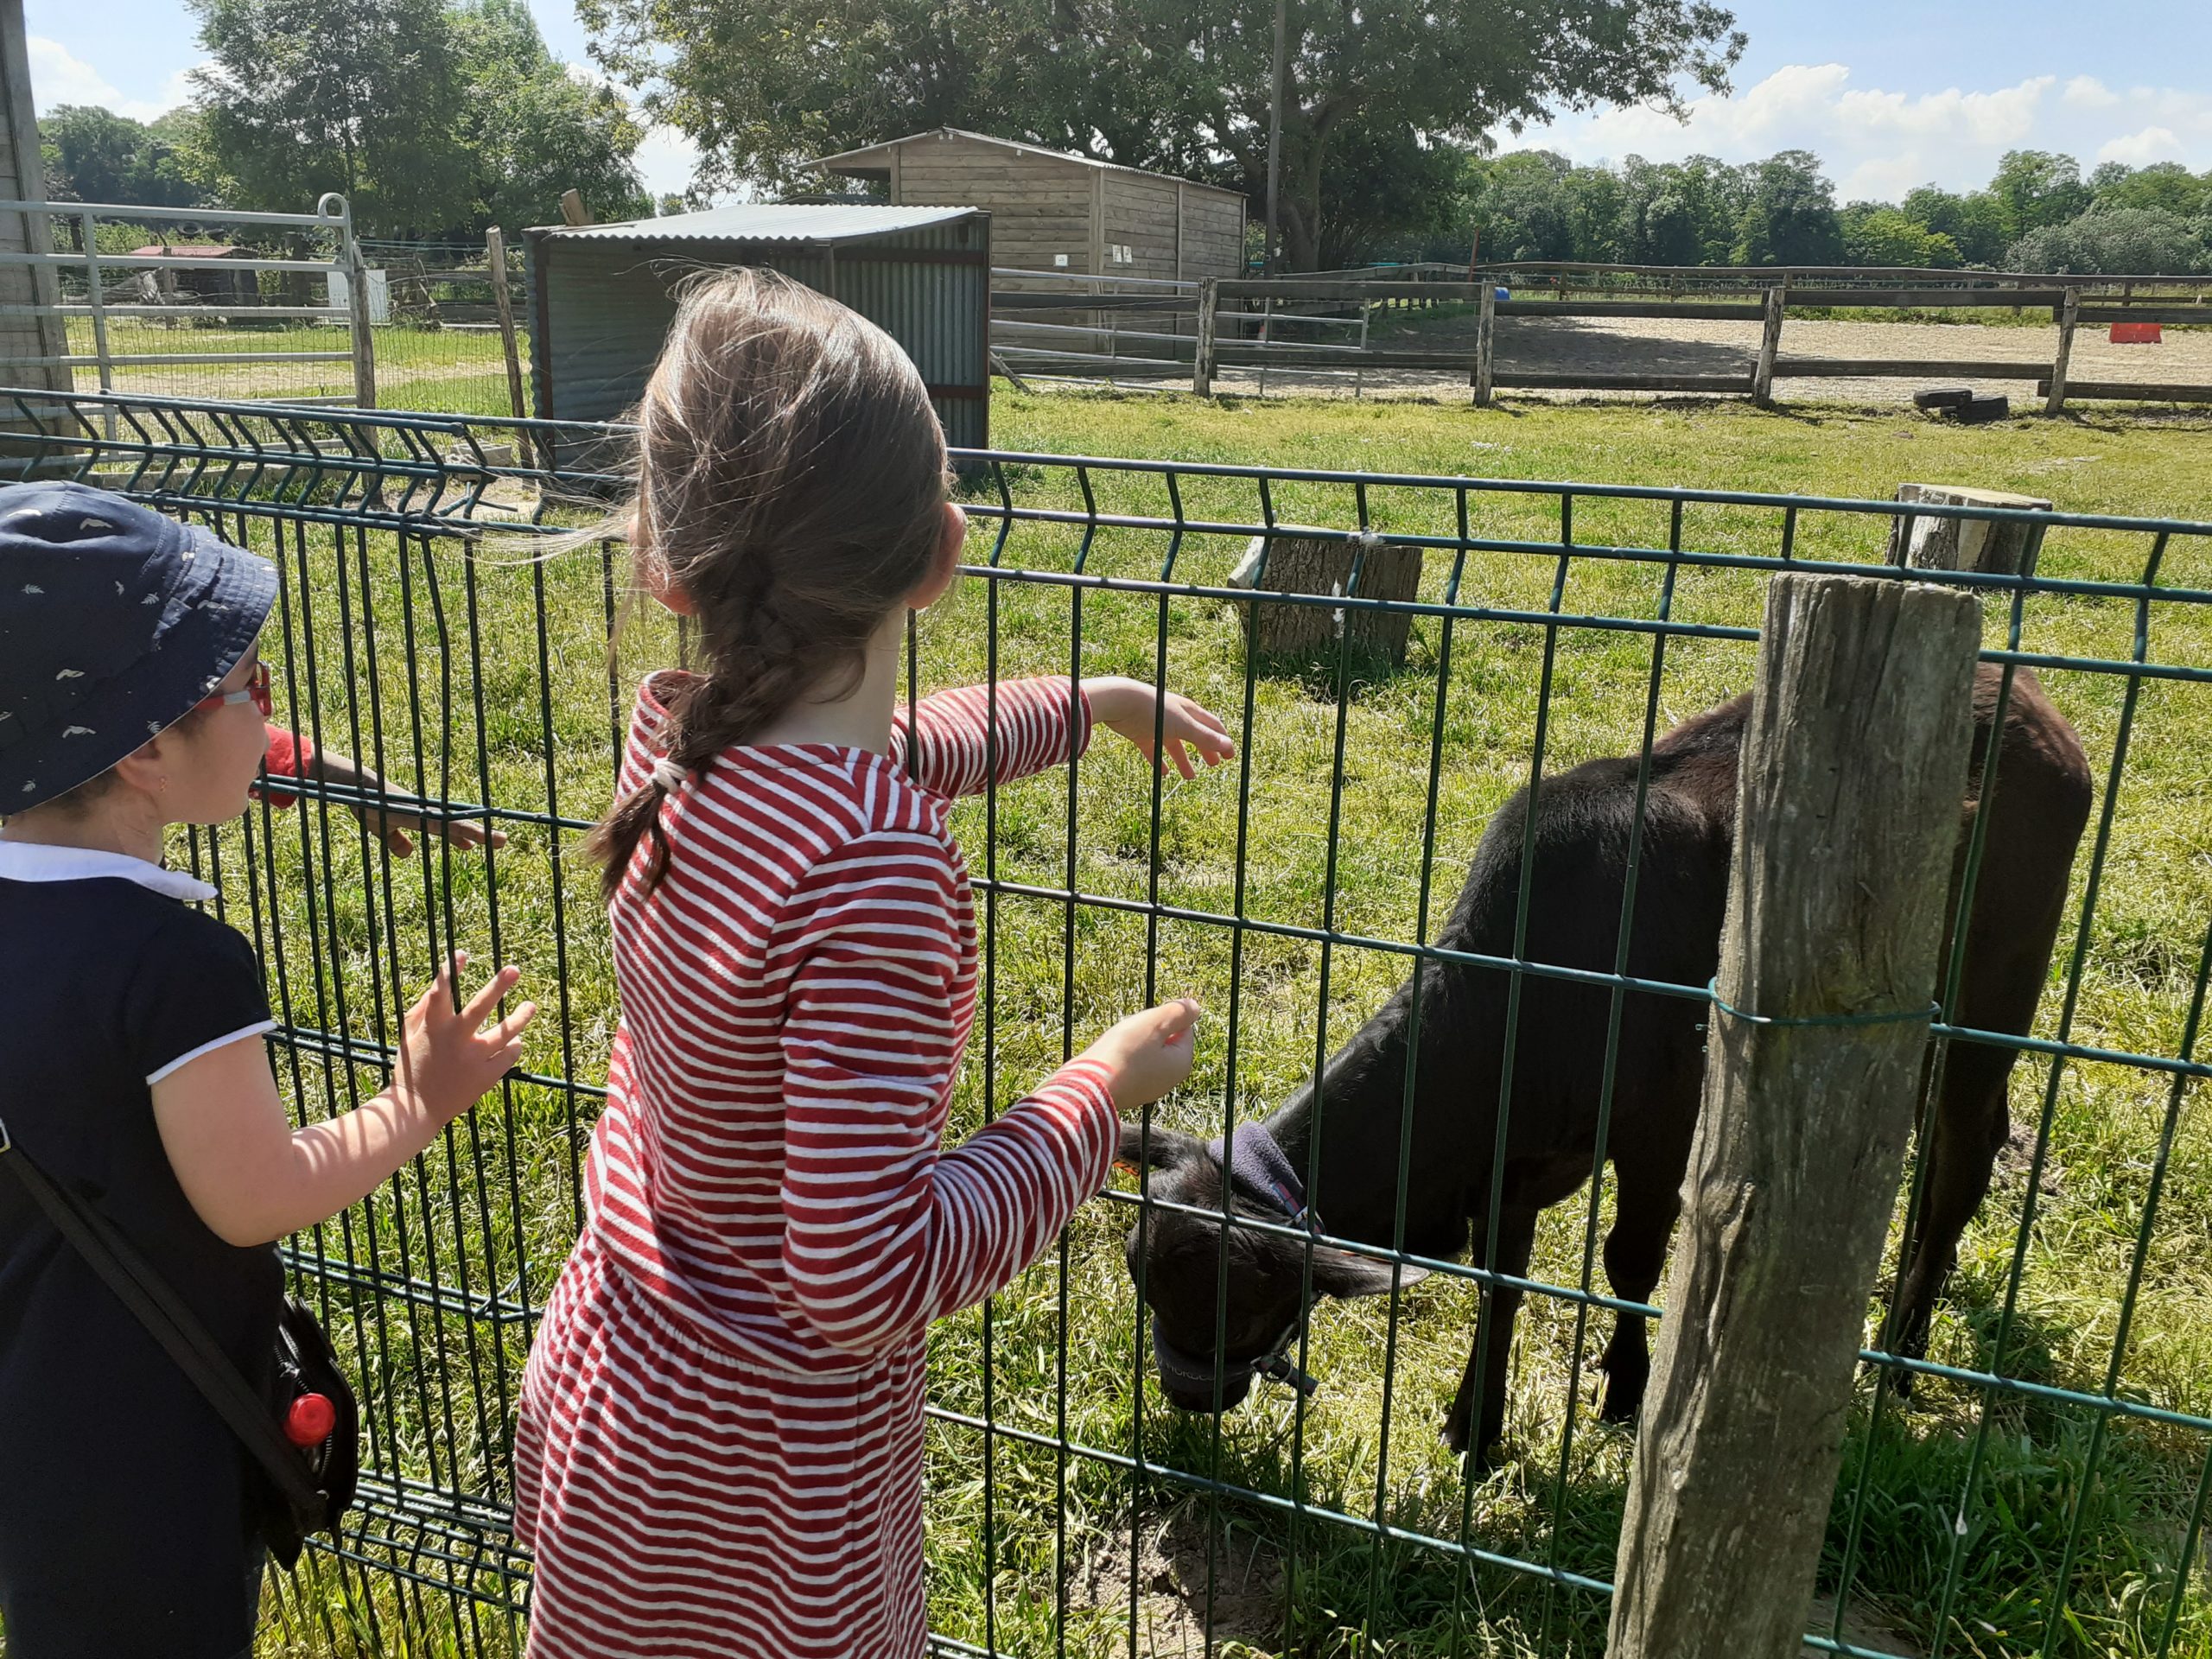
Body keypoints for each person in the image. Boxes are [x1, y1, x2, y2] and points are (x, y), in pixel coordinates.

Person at [511, 269, 1231, 1659]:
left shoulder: (684, 742)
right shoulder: (875, 872)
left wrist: (1087, 706)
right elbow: (860, 1274)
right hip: (765, 1483)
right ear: (945, 554)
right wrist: (1093, 1097)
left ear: (665, 562)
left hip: (616, 1397)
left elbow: (897, 741)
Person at [0, 483, 537, 1659]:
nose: (273, 712)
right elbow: (255, 1193)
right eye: (250, 688)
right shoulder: (174, 965)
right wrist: (418, 1100)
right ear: (142, 749)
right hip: (145, 1442)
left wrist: (319, 771)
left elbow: (180, 745)